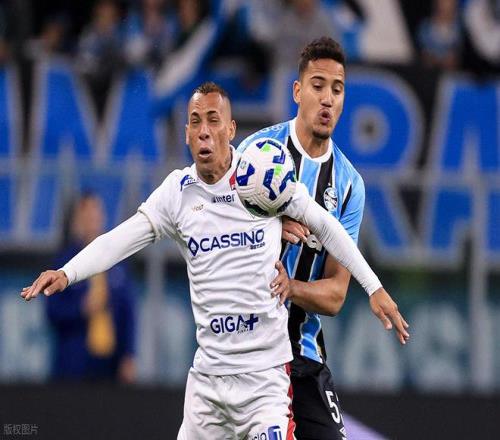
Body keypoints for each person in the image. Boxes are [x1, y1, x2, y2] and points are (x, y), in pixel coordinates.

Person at [21, 82, 408, 439]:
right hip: (208, 383)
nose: (204, 131)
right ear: (186, 135)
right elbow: (121, 239)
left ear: (231, 129)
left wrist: (373, 287)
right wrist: (68, 272)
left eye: (213, 120)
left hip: (263, 382)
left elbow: (326, 226)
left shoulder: (262, 177)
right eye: (195, 122)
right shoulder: (178, 193)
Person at [238, 37, 409, 439]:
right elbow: (216, 231)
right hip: (243, 347)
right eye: (318, 86)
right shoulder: (257, 152)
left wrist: (291, 287)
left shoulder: (348, 185)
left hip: (303, 355)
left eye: (337, 89)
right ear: (298, 91)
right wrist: (270, 225)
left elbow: (334, 295)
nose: (328, 99)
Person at [46, 192, 136, 383]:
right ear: (77, 220)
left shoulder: (117, 261)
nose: (92, 219)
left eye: (96, 213)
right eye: (86, 215)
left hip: (111, 364)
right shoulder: (64, 263)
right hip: (74, 364)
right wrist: (81, 309)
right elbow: (52, 311)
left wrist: (128, 354)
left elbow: (128, 311)